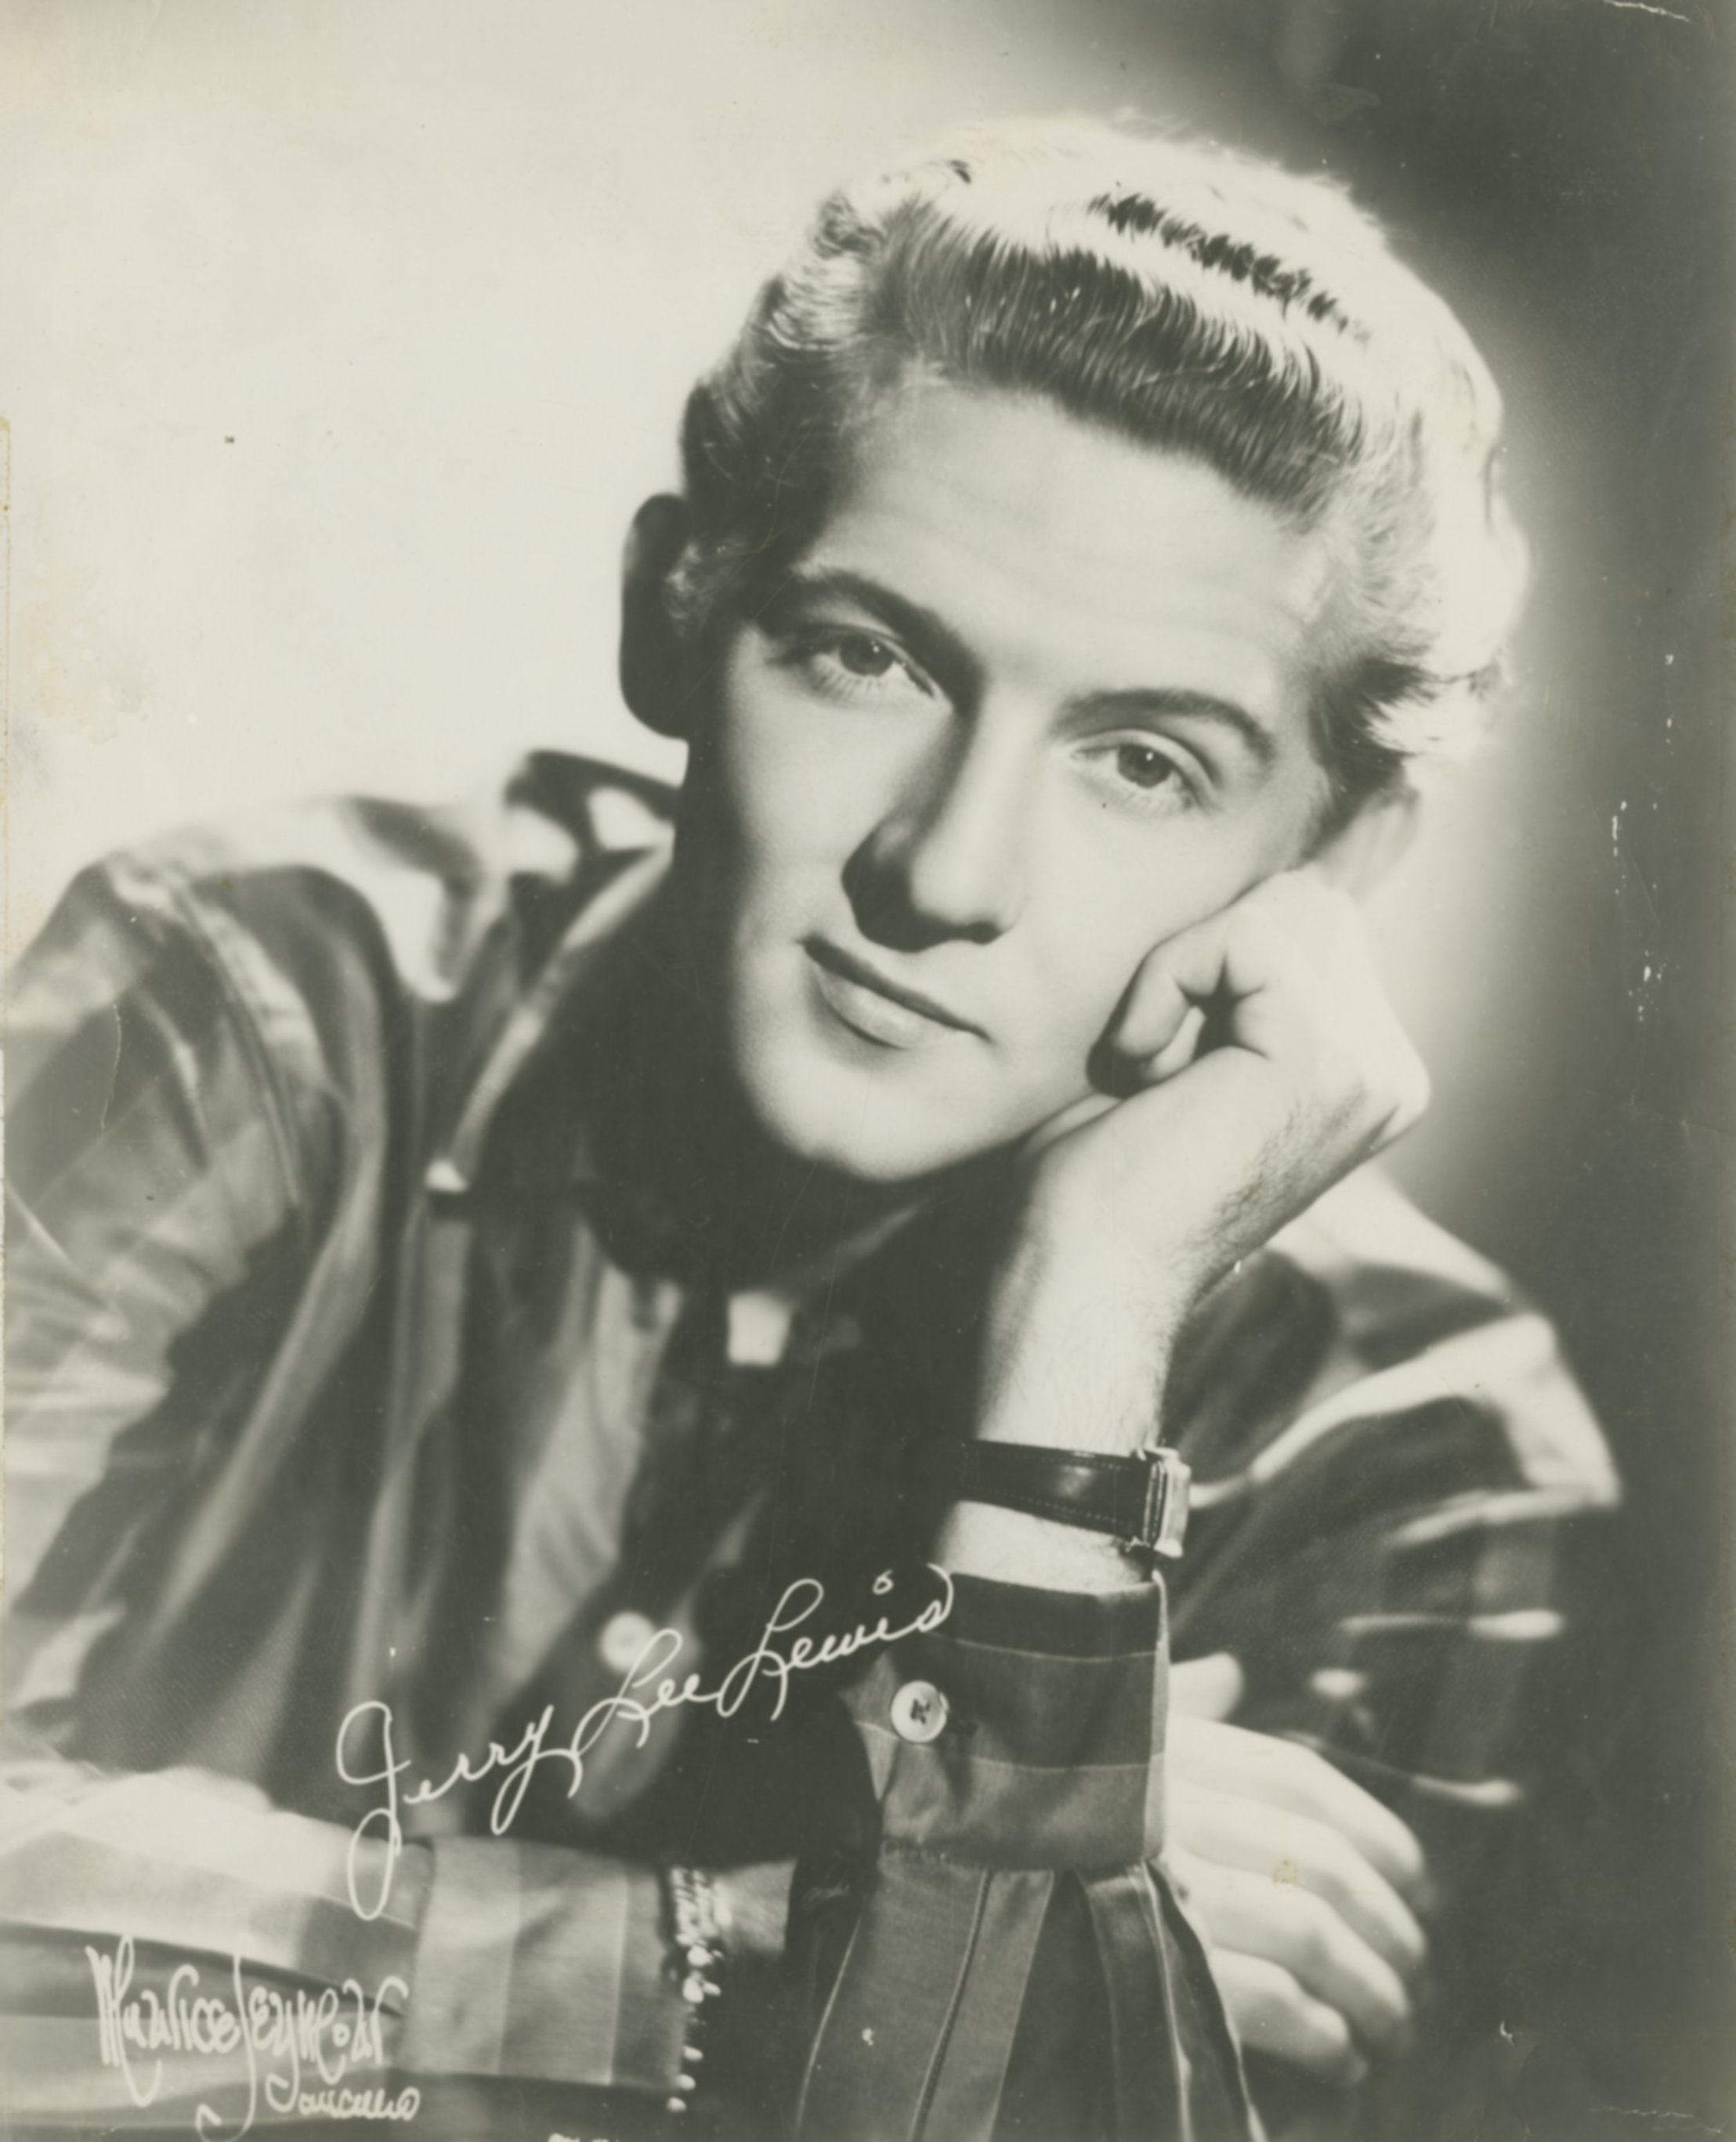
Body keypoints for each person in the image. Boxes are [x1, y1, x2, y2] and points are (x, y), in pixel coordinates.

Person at [2, 118, 1616, 2141]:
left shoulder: (1408, 1449)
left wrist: (1089, 1319)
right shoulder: (253, 1006)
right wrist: (737, 1952)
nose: (945, 872)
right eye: (870, 658)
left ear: (1338, 859)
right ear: (672, 614)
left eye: (1143, 762)